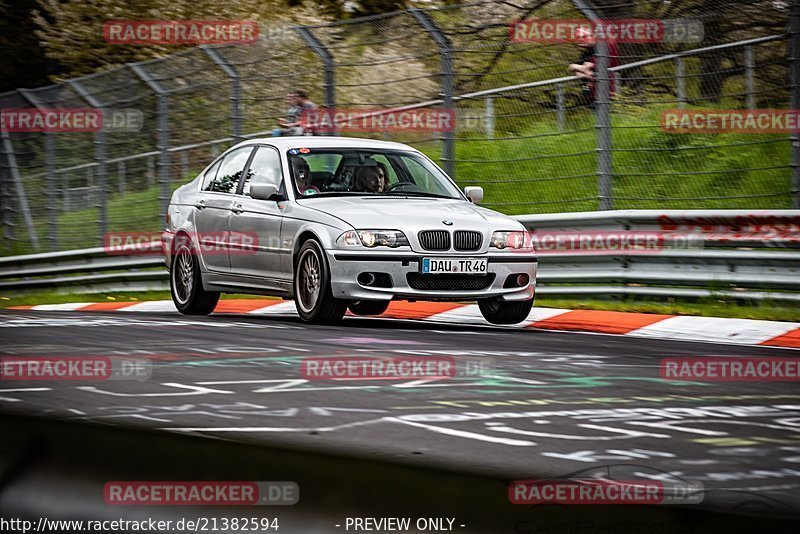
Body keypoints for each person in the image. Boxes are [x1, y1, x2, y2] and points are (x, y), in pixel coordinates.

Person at [567, 26, 618, 109]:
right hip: (592, 93)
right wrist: (587, 73)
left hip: (606, 90)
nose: (581, 39)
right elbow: (571, 67)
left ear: (592, 35)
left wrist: (584, 70)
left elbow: (594, 66)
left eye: (584, 36)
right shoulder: (586, 52)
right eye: (578, 37)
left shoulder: (602, 48)